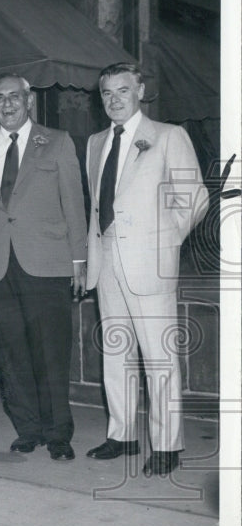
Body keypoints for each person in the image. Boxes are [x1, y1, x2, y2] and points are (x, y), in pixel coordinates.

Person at [85, 62, 209, 476]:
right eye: (106, 93)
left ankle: (168, 444)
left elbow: (194, 197)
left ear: (140, 89)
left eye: (122, 90)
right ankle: (122, 434)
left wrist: (165, 240)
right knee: (116, 351)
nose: (114, 99)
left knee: (159, 357)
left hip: (149, 261)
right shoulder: (95, 142)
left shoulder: (168, 135)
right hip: (105, 259)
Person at [0, 73, 87, 460]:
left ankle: (58, 433)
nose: (8, 104)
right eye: (0, 98)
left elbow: (75, 205)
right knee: (11, 353)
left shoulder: (58, 142)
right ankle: (28, 428)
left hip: (47, 263)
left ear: (29, 100)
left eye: (15, 97)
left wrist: (79, 261)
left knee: (51, 351)